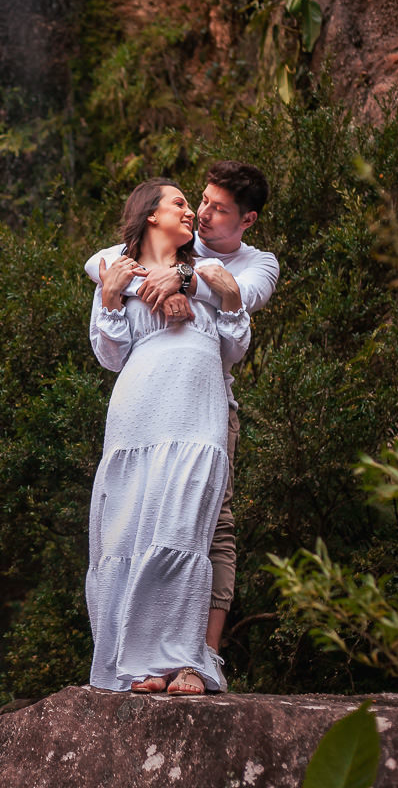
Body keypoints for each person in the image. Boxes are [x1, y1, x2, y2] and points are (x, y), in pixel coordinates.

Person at [84, 161, 278, 691]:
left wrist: (190, 283)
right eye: (188, 202)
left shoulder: (224, 268)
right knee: (132, 526)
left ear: (246, 219)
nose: (199, 211)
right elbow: (110, 350)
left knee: (188, 527)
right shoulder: (118, 271)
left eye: (214, 207)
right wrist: (117, 291)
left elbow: (235, 342)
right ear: (150, 215)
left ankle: (188, 657)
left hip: (200, 410)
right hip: (139, 411)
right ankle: (142, 663)